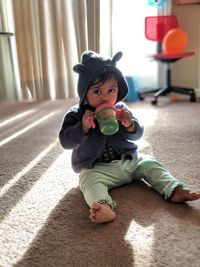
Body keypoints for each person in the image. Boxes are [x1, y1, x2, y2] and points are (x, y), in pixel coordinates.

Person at [59, 51, 200, 224]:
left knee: (150, 163)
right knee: (87, 180)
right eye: (97, 91)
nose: (105, 96)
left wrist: (129, 124)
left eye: (111, 90)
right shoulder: (76, 115)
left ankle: (174, 189)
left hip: (129, 161)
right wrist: (83, 127)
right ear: (84, 93)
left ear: (118, 89)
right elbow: (65, 141)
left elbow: (138, 134)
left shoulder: (120, 108)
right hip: (97, 169)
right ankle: (104, 206)